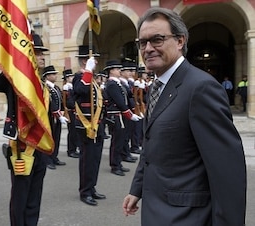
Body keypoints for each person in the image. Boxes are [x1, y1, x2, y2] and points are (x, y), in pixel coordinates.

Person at [122, 7, 246, 226]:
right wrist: (137, 189)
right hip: (156, 209)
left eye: (157, 40)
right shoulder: (158, 85)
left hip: (187, 217)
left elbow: (227, 173)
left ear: (180, 41)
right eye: (142, 42)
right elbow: (151, 146)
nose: (148, 48)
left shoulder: (201, 88)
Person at [0, 34, 49, 226]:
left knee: (35, 194)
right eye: (38, 53)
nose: (42, 57)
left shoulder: (42, 84)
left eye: (43, 53)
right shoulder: (14, 81)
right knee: (20, 196)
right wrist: (0, 59)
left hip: (40, 146)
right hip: (22, 147)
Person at [73, 45, 106, 206]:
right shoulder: (79, 77)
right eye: (94, 60)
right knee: (87, 160)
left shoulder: (92, 79)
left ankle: (92, 187)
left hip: (97, 125)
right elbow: (80, 91)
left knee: (96, 159)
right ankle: (85, 191)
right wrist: (88, 71)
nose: (97, 62)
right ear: (85, 61)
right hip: (85, 126)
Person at [104, 60, 141, 176]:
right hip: (116, 115)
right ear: (111, 71)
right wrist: (129, 114)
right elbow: (119, 101)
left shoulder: (117, 83)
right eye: (117, 69)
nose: (120, 70)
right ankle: (115, 165)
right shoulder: (111, 84)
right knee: (116, 142)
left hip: (120, 115)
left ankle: (118, 163)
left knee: (120, 141)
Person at [42, 65, 67, 169]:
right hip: (49, 117)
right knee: (49, 138)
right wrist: (57, 113)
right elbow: (50, 103)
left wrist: (61, 113)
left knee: (56, 137)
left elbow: (60, 101)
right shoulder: (45, 87)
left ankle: (54, 156)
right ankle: (47, 159)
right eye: (53, 74)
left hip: (57, 116)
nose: (55, 76)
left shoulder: (55, 87)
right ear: (47, 76)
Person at [62, 69, 80, 158]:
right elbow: (69, 102)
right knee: (72, 132)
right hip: (70, 111)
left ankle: (74, 148)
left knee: (75, 132)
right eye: (70, 77)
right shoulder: (66, 88)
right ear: (67, 78)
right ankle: (71, 150)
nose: (72, 78)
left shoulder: (72, 87)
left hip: (75, 111)